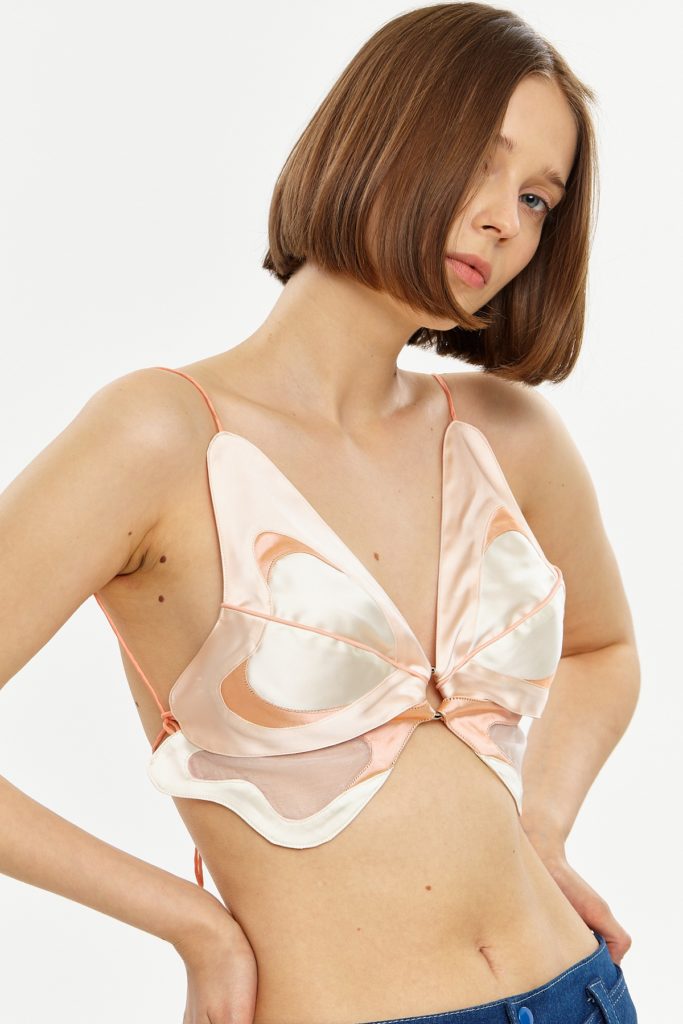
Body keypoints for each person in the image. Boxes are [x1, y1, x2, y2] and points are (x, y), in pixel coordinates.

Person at [0, 3, 641, 1023]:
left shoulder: (507, 434)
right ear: (378, 136)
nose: (505, 221)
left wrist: (542, 831)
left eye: (536, 199)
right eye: (481, 164)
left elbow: (603, 648)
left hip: (580, 994)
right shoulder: (161, 436)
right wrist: (193, 925)